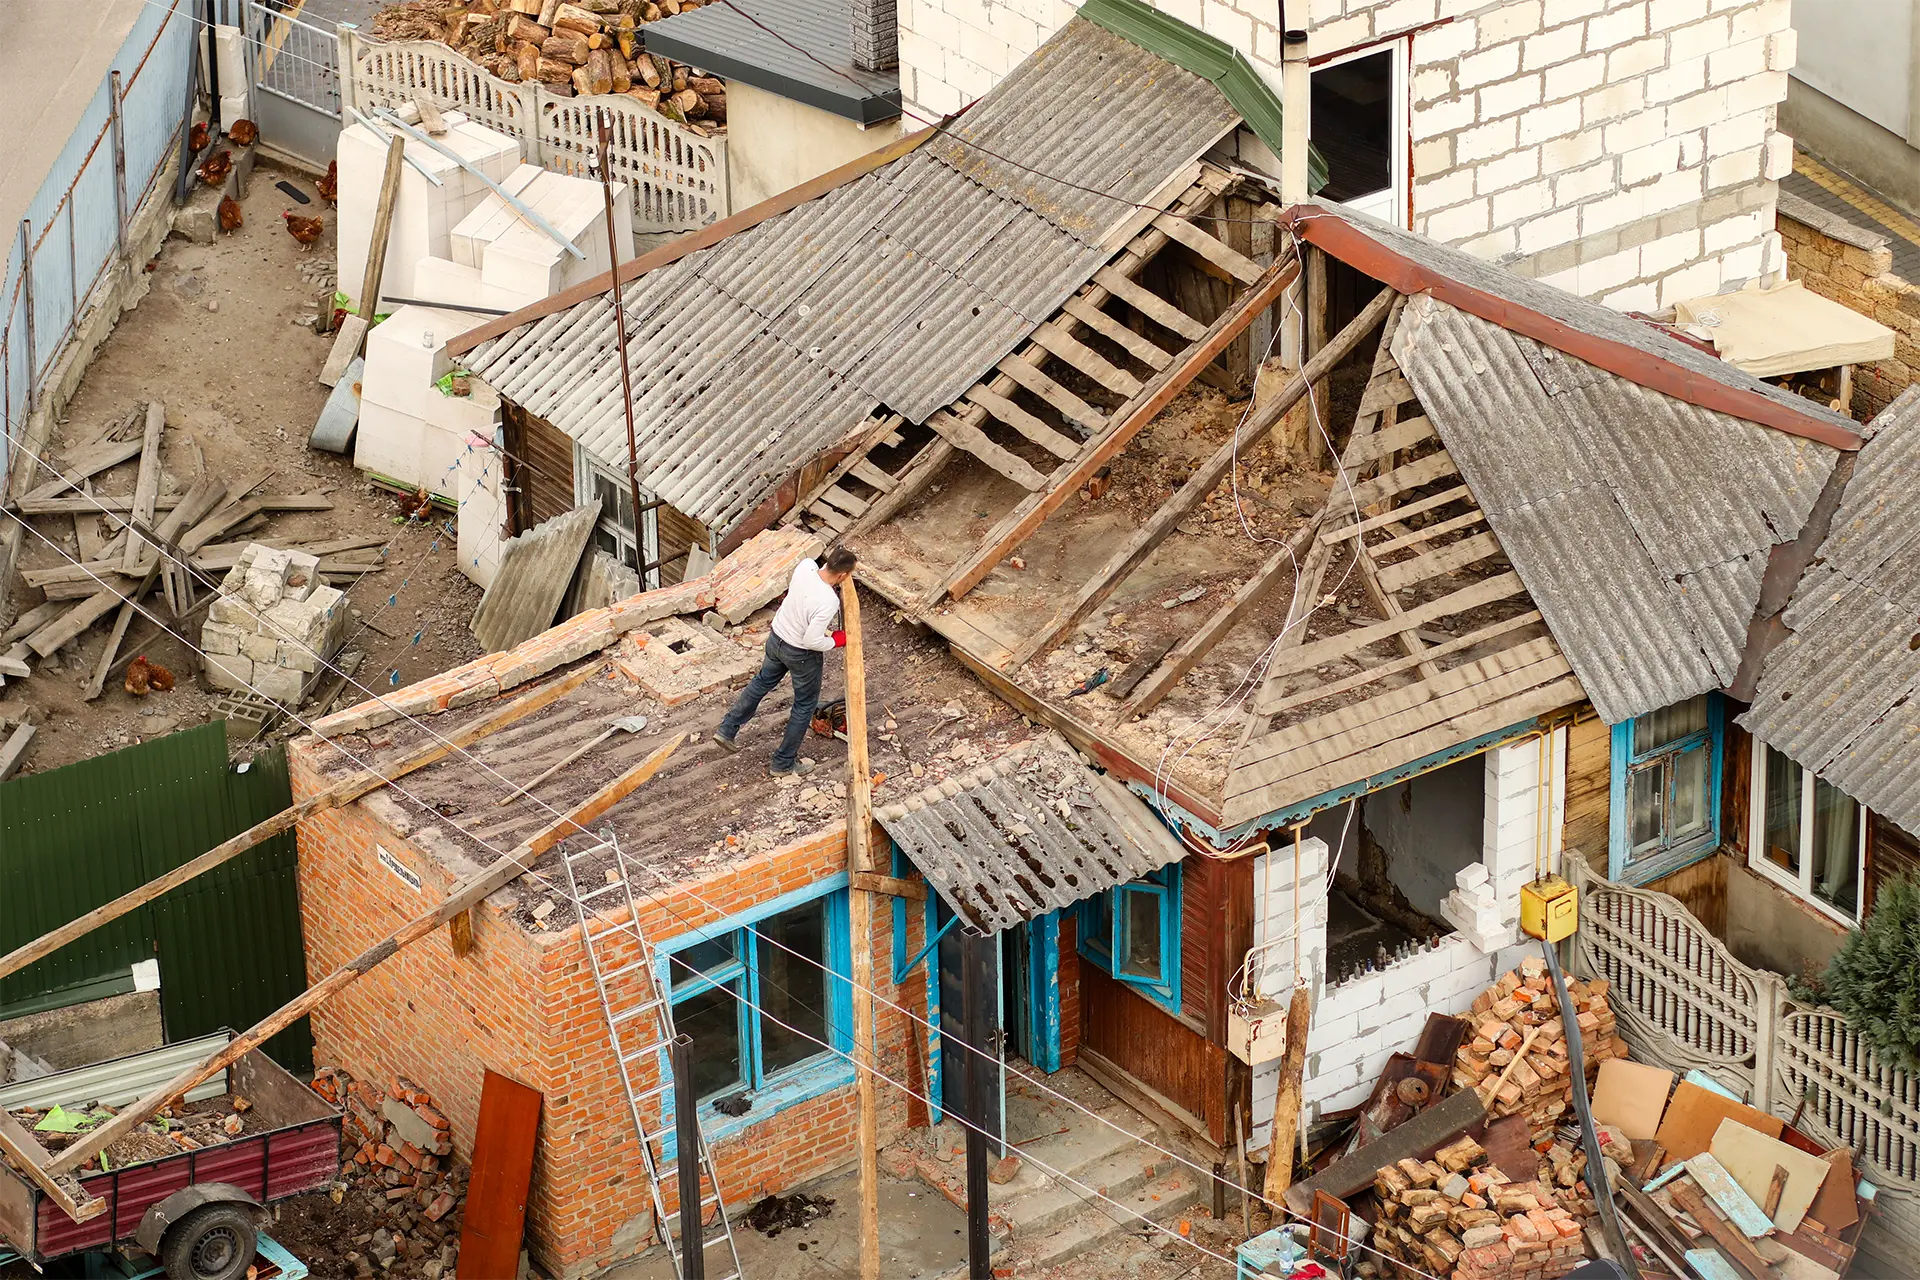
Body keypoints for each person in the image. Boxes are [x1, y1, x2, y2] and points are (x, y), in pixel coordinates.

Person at [714, 546, 857, 776]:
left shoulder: (806, 567)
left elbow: (803, 600)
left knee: (761, 682)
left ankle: (727, 729)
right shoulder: (829, 601)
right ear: (842, 575)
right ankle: (783, 763)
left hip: (777, 638)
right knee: (804, 705)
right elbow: (811, 640)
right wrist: (835, 641)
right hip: (801, 654)